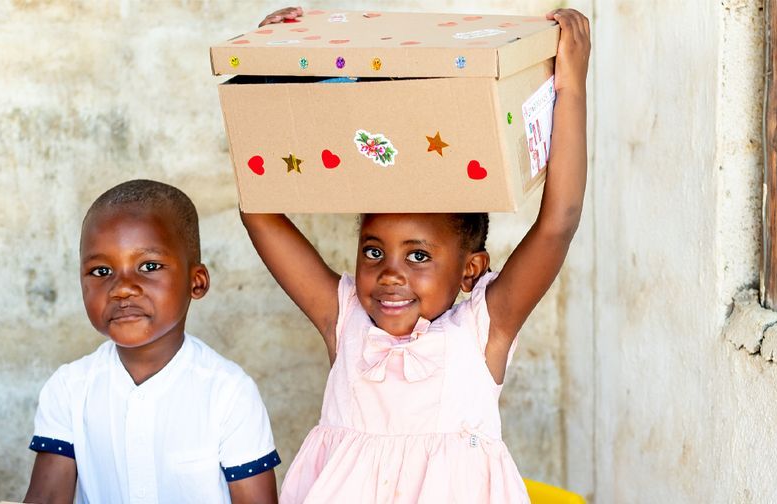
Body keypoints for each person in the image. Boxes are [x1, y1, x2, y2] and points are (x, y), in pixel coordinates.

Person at [246, 6, 590, 503]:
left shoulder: (482, 332)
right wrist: (269, 68)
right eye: (373, 251)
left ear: (471, 270)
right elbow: (259, 211)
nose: (390, 274)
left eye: (419, 257)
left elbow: (558, 223)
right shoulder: (342, 319)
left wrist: (570, 86)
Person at [24, 180, 280, 504]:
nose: (122, 288)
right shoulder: (69, 389)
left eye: (149, 266)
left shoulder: (228, 392)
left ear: (196, 282)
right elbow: (47, 499)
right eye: (101, 270)